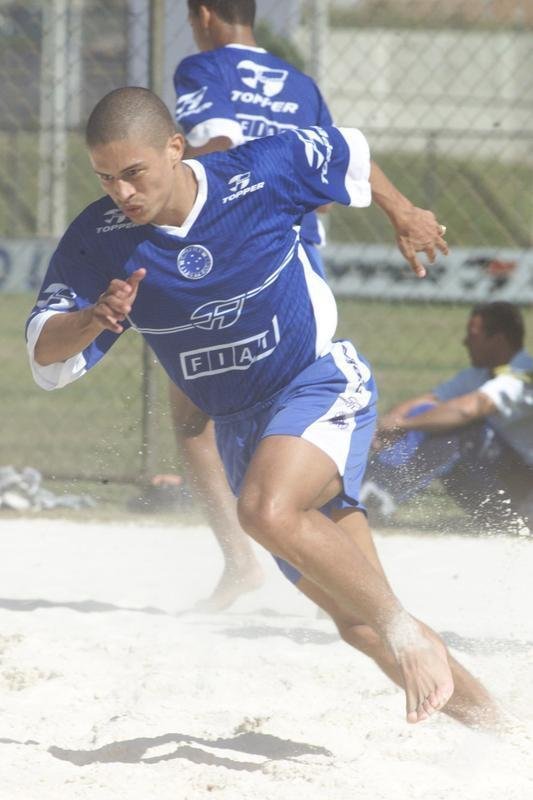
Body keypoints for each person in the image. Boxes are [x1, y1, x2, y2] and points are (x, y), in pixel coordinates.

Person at [26, 85, 504, 728]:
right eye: (106, 178)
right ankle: (498, 727)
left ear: (175, 148)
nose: (122, 192)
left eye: (133, 173)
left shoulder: (255, 174)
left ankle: (408, 634)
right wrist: (93, 318)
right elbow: (44, 354)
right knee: (358, 622)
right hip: (244, 429)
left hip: (318, 383)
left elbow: (345, 151)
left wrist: (404, 211)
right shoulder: (99, 238)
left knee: (265, 511)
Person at [168, 0, 335, 610]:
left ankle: (243, 560)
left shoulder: (202, 69)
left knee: (192, 417)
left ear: (205, 14)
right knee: (297, 409)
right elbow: (324, 195)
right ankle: (324, 548)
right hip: (304, 271)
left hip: (236, 259)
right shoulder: (302, 85)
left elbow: (215, 143)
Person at [362, 302, 533, 530]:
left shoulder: (523, 374)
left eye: (473, 335)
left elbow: (468, 409)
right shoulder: (480, 374)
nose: (465, 342)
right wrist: (388, 425)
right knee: (431, 417)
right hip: (497, 498)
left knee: (464, 431)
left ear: (498, 340)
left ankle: (375, 499)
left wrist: (405, 424)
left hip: (525, 496)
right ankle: (365, 490)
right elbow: (428, 402)